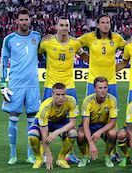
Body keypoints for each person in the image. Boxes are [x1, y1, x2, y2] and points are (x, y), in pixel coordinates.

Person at [39, 16, 88, 163]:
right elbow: (39, 52)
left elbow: (83, 55)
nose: (64, 28)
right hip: (50, 86)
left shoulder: (74, 43)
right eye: (61, 25)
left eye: (66, 25)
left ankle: (68, 153)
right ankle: (45, 152)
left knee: (70, 118)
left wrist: (98, 61)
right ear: (56, 27)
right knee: (46, 118)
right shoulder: (47, 42)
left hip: (69, 86)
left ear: (69, 27)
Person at [0, 9, 41, 165]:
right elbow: (4, 61)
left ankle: (30, 155)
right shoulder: (9, 39)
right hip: (15, 85)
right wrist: (3, 84)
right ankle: (13, 154)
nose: (24, 22)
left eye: (26, 19)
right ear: (16, 21)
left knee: (32, 120)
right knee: (14, 118)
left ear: (30, 20)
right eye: (21, 20)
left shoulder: (37, 36)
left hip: (32, 85)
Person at [27, 83, 78, 169]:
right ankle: (39, 158)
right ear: (52, 94)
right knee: (32, 135)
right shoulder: (45, 107)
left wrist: (56, 132)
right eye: (58, 94)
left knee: (73, 133)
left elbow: (72, 123)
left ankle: (61, 158)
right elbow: (44, 134)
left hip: (61, 121)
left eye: (63, 94)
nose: (61, 97)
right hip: (45, 123)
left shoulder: (71, 101)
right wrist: (48, 153)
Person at [79, 14, 126, 99]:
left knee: (112, 111)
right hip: (93, 82)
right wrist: (86, 57)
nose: (106, 25)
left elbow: (130, 48)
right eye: (103, 22)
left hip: (111, 82)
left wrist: (121, 64)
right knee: (90, 110)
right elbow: (73, 44)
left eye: (108, 23)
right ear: (98, 25)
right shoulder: (89, 37)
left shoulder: (117, 38)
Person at [77, 77, 118, 168]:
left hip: (105, 125)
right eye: (100, 88)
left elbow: (112, 122)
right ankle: (85, 156)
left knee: (113, 133)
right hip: (90, 125)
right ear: (95, 88)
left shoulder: (112, 100)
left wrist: (99, 132)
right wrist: (91, 143)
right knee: (80, 135)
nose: (103, 90)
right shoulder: (87, 101)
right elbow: (85, 124)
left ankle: (107, 156)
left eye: (105, 87)